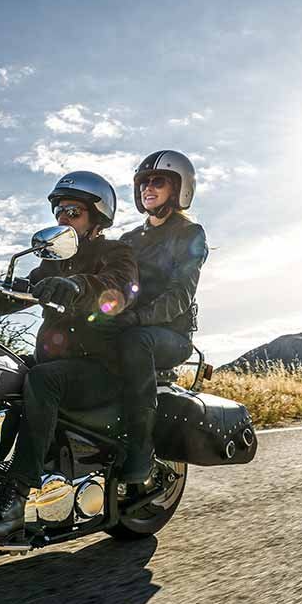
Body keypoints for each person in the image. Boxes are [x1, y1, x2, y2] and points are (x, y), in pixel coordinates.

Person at [0, 171, 138, 543]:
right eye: (59, 211)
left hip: (102, 367)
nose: (63, 218)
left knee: (42, 380)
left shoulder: (116, 253)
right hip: (57, 361)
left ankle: (17, 497)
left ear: (97, 219)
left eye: (73, 212)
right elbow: (7, 296)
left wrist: (78, 286)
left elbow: (119, 288)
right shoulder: (50, 264)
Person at [107, 150, 209, 483]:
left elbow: (180, 294)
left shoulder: (190, 234)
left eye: (158, 181)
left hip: (170, 336)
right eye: (143, 182)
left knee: (135, 341)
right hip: (130, 326)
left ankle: (140, 448)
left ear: (179, 188)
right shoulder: (128, 240)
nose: (148, 188)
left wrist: (137, 319)